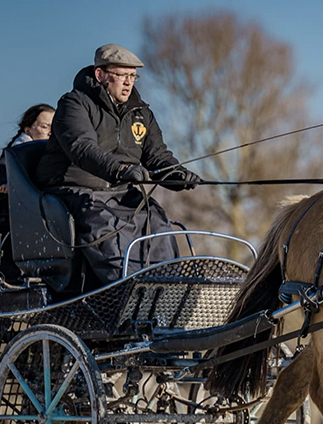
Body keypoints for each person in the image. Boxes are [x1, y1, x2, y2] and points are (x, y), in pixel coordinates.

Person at [34, 43, 201, 287]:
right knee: (106, 224)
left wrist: (177, 175)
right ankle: (128, 290)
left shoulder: (141, 112)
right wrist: (121, 170)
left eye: (133, 76)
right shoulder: (74, 104)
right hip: (74, 191)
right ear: (100, 75)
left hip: (120, 191)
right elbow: (82, 148)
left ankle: (167, 289)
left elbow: (157, 155)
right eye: (122, 75)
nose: (128, 82)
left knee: (155, 219)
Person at [0, 104, 56, 314]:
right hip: (4, 251)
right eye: (44, 126)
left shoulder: (55, 165)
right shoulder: (10, 160)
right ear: (28, 129)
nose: (50, 132)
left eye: (54, 128)